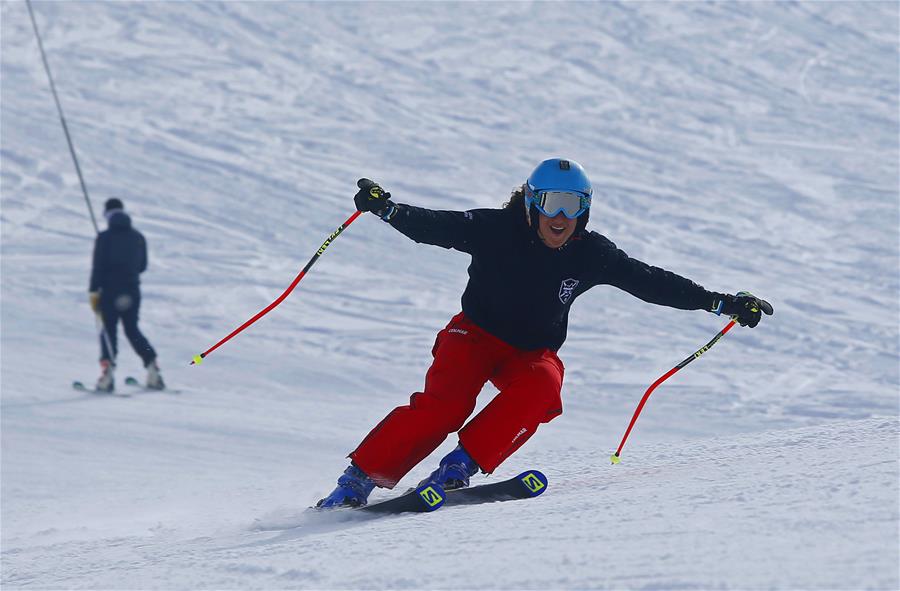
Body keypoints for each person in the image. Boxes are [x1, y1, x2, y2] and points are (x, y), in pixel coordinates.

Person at [317, 158, 772, 508]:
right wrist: (388, 209)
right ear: (533, 203)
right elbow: (436, 226)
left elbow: (649, 281)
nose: (562, 216)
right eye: (553, 203)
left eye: (574, 206)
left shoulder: (591, 253)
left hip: (529, 351)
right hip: (472, 337)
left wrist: (721, 302)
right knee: (445, 407)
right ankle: (359, 479)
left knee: (545, 384)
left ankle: (458, 467)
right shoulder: (496, 229)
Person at [89, 198, 164, 392]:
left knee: (108, 330)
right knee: (132, 330)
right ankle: (152, 368)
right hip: (131, 292)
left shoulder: (104, 237)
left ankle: (107, 374)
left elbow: (98, 267)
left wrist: (93, 291)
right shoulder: (138, 237)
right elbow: (142, 266)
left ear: (107, 215)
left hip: (109, 292)